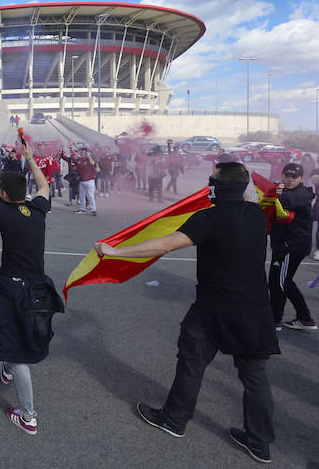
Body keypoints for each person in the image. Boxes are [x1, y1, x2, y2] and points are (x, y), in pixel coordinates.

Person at [94, 161, 279, 464]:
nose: (208, 183)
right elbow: (250, 195)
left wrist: (116, 252)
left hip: (213, 309)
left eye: (212, 180)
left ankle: (173, 420)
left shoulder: (208, 217)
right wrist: (241, 178)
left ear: (219, 187)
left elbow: (166, 244)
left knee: (192, 363)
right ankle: (259, 442)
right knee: (255, 377)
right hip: (255, 310)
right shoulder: (257, 215)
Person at [0, 141, 62, 436]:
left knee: (18, 350)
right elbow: (45, 186)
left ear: (5, 194)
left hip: (15, 289)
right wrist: (31, 159)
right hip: (37, 287)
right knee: (10, 336)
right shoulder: (37, 208)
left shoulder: (2, 213)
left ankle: (28, 415)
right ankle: (5, 367)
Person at [268, 162, 316, 330]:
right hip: (283, 245)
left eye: (294, 177)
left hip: (292, 247)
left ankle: (277, 320)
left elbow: (281, 201)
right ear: (282, 174)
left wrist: (271, 193)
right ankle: (302, 318)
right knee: (278, 281)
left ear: (301, 178)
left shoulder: (301, 194)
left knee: (281, 282)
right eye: (287, 175)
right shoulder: (287, 190)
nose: (289, 179)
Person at [74, 147, 98, 216]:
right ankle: (82, 208)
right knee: (81, 195)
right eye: (81, 151)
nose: (81, 152)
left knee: (90, 195)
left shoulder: (89, 158)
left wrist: (88, 155)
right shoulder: (79, 159)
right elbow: (75, 162)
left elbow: (93, 163)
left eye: (83, 151)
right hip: (82, 180)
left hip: (90, 180)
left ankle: (94, 209)